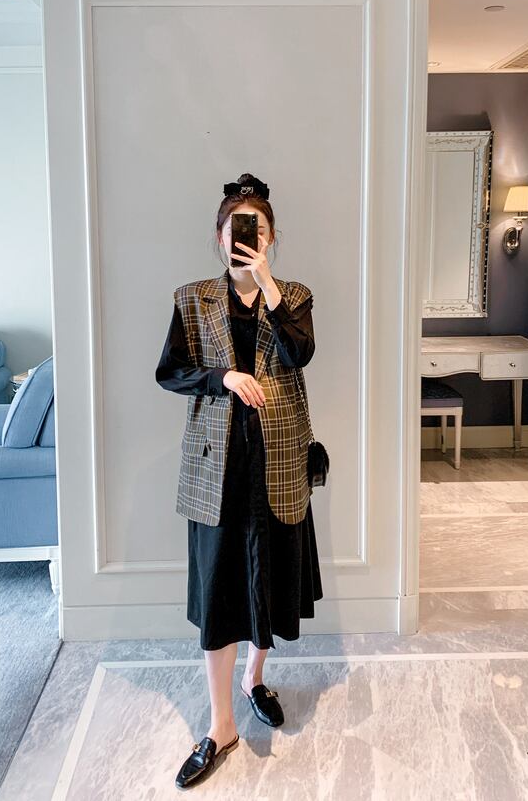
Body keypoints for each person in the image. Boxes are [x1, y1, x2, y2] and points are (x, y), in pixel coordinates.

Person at [155, 172, 323, 790]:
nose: (246, 238)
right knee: (219, 591)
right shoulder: (193, 299)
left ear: (271, 238)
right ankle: (220, 723)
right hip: (216, 466)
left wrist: (269, 284)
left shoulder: (294, 296)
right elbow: (170, 372)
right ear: (220, 236)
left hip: (277, 460)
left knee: (268, 580)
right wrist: (221, 378)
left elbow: (301, 354)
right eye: (235, 229)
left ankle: (255, 679)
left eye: (257, 230)